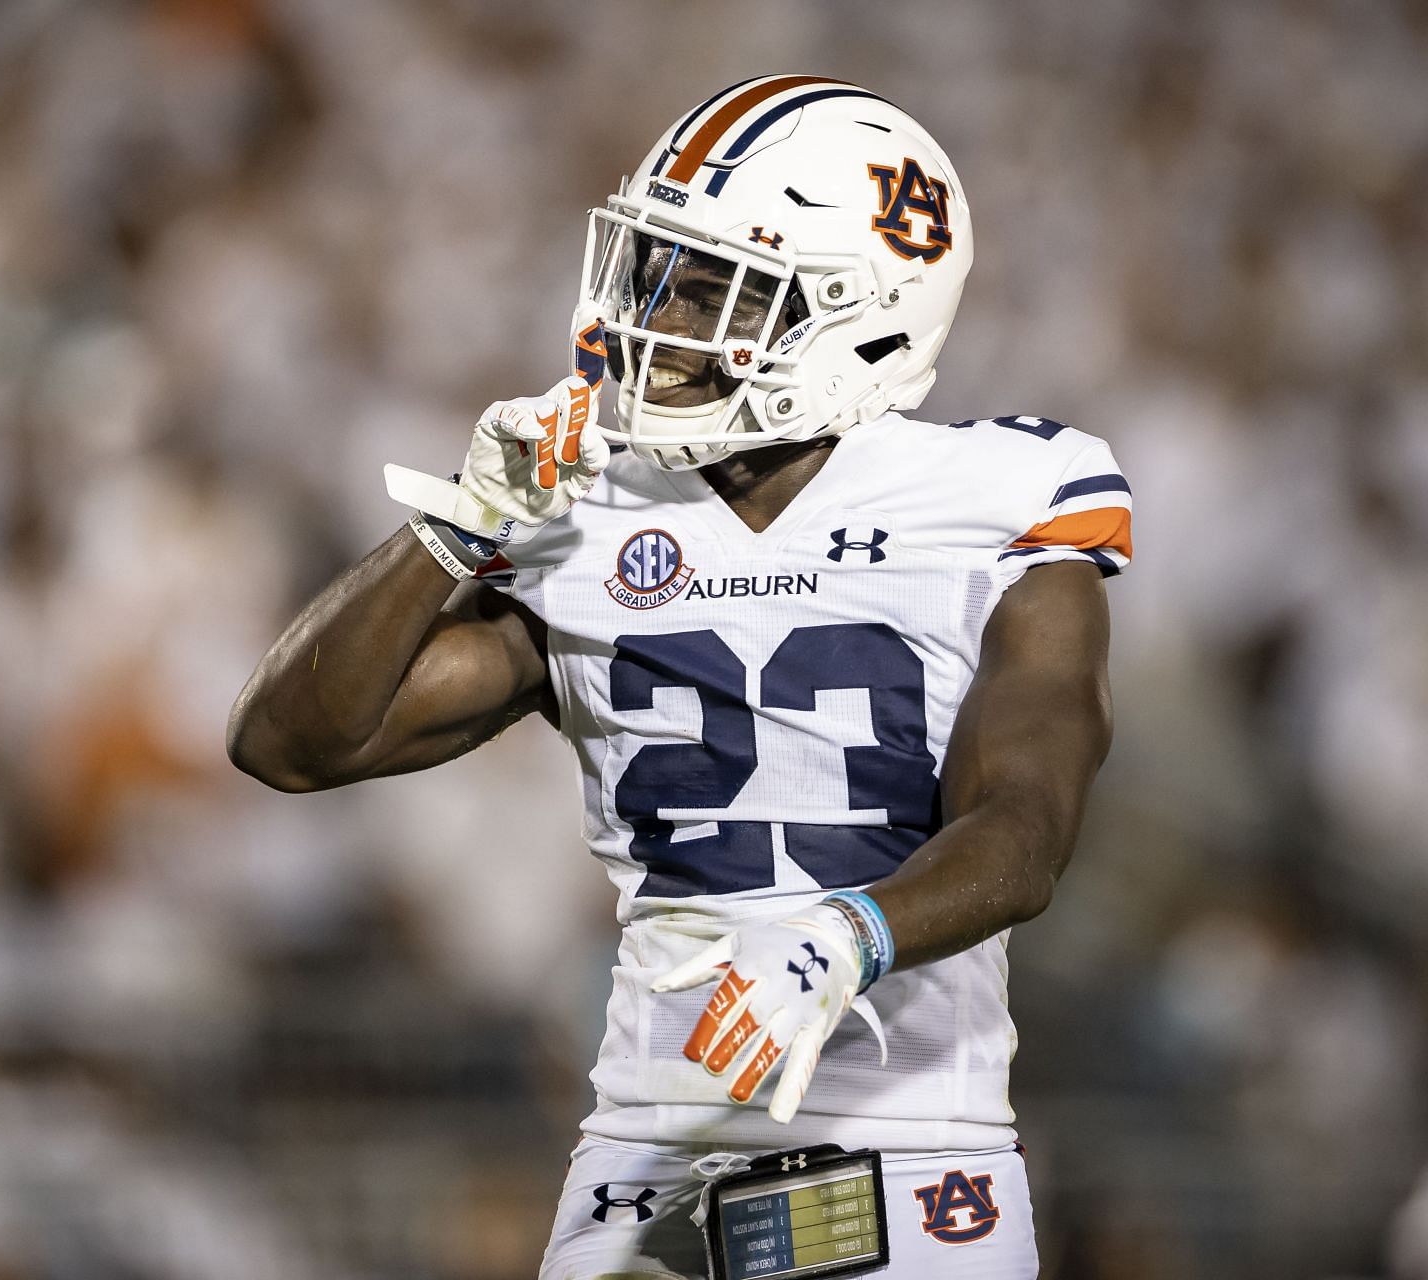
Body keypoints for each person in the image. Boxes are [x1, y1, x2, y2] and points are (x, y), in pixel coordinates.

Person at [229, 73, 1131, 1280]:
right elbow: (291, 742)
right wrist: (457, 529)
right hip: (644, 1139)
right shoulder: (582, 512)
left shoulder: (995, 500)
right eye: (655, 270)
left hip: (905, 1139)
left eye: (715, 290)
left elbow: (1026, 823)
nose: (652, 318)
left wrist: (844, 937)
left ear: (859, 318)